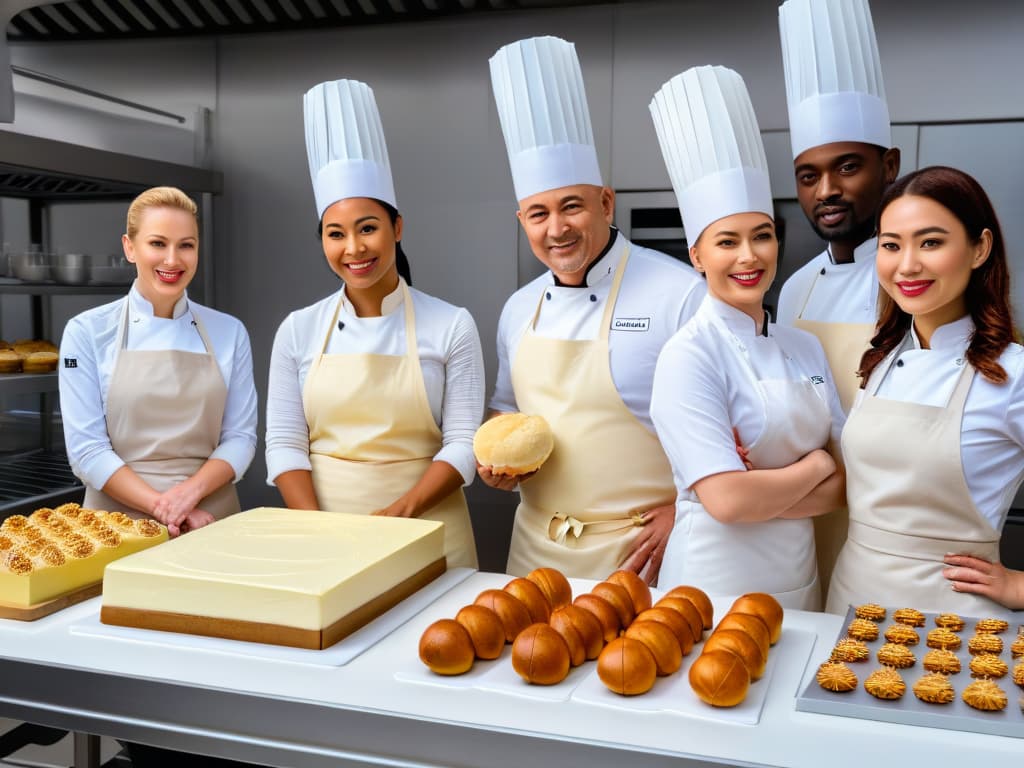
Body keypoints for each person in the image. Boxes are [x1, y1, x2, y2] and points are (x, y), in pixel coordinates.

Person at [479, 36, 705, 583]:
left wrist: (686, 512)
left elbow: (736, 429)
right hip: (534, 549)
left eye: (571, 207)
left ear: (606, 202)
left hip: (642, 553)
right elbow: (505, 412)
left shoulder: (681, 293)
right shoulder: (518, 309)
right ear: (521, 220)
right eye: (538, 214)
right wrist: (497, 466)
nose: (555, 229)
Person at [648, 66, 846, 610]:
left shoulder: (804, 346)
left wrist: (767, 492)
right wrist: (814, 467)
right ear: (697, 256)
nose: (748, 256)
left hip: (798, 580)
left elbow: (846, 483)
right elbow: (729, 503)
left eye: (762, 236)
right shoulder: (688, 355)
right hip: (711, 585)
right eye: (726, 241)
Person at [265, 79, 484, 569]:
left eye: (368, 228)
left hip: (430, 531)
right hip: (322, 537)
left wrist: (402, 513)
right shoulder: (298, 330)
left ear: (396, 228)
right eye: (335, 234)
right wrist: (320, 530)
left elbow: (465, 443)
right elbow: (283, 445)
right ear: (322, 240)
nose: (354, 249)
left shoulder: (451, 324)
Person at [828, 166, 1024, 614]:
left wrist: (1018, 587)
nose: (907, 264)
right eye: (891, 245)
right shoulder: (878, 360)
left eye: (931, 242)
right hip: (848, 606)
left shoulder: (1013, 376)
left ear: (980, 248)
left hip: (955, 626)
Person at [775, 0, 900, 600]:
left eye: (847, 167)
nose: (827, 190)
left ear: (889, 166)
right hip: (801, 512)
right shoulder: (794, 287)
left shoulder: (921, 284)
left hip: (890, 527)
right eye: (808, 174)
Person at [59, 186, 257, 536]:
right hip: (116, 526)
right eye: (157, 243)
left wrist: (189, 495)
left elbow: (240, 437)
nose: (172, 260)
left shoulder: (230, 332)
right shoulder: (86, 332)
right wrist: (168, 508)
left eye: (186, 245)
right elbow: (86, 450)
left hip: (209, 517)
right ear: (129, 248)